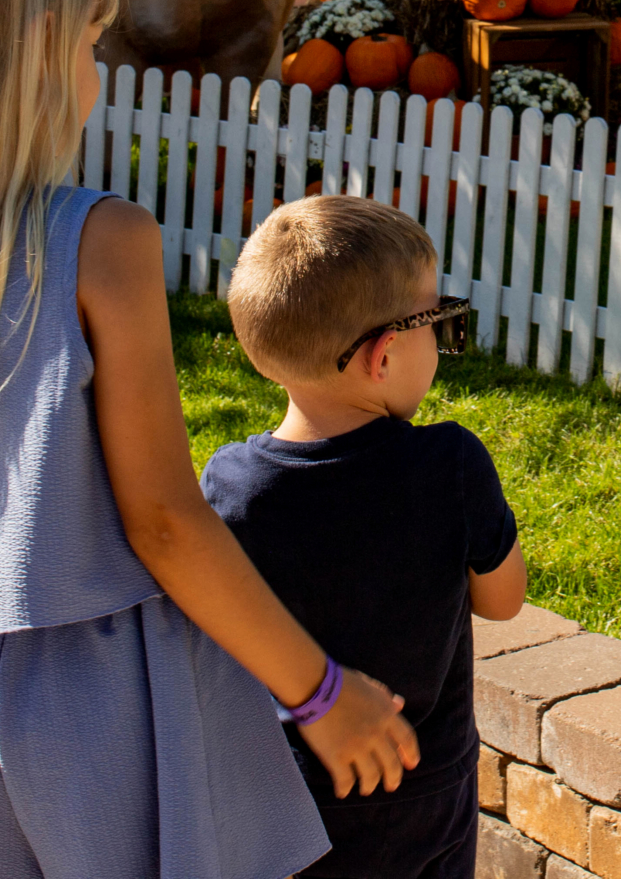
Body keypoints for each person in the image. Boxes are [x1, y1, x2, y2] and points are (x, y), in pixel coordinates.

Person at [0, 0, 419, 879]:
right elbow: (166, 519)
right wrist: (318, 693)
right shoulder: (101, 241)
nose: (96, 74)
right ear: (41, 49)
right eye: (89, 46)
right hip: (96, 702)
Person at [206, 196, 528, 879]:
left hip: (283, 804)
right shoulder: (451, 465)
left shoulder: (231, 487)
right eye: (438, 323)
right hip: (425, 795)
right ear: (384, 356)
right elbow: (503, 600)